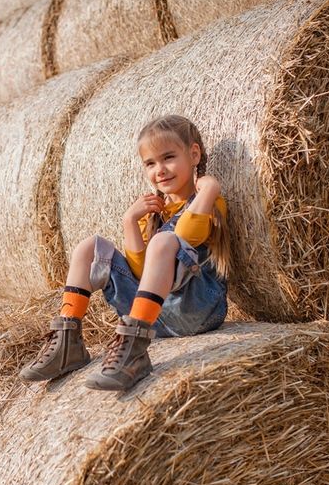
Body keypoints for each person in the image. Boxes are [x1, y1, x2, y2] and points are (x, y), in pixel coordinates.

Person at [18, 114, 231, 390]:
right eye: (150, 163)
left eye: (168, 157)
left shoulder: (210, 205)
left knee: (164, 241)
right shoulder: (152, 213)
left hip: (198, 310)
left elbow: (186, 235)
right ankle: (68, 341)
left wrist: (209, 189)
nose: (160, 170)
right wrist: (129, 221)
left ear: (193, 154)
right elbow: (143, 274)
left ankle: (133, 350)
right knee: (91, 247)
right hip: (156, 316)